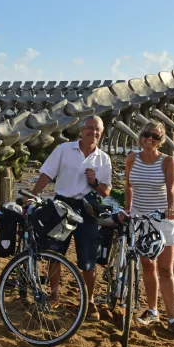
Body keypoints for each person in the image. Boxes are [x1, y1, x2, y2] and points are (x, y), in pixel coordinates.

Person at [31, 115, 112, 321]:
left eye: (97, 130)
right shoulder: (64, 150)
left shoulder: (103, 158)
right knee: (54, 253)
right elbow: (47, 174)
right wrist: (33, 195)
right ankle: (54, 295)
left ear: (101, 134)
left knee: (88, 259)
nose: (93, 133)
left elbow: (106, 191)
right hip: (62, 206)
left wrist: (94, 182)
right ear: (82, 130)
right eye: (90, 128)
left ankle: (90, 300)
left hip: (87, 210)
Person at [125, 120, 174, 340]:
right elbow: (128, 185)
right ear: (140, 135)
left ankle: (172, 319)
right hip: (140, 219)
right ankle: (152, 310)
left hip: (162, 219)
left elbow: (172, 187)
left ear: (161, 139)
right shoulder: (132, 158)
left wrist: (171, 208)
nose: (149, 139)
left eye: (155, 136)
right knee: (147, 265)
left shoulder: (167, 161)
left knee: (166, 270)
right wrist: (127, 210)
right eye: (146, 134)